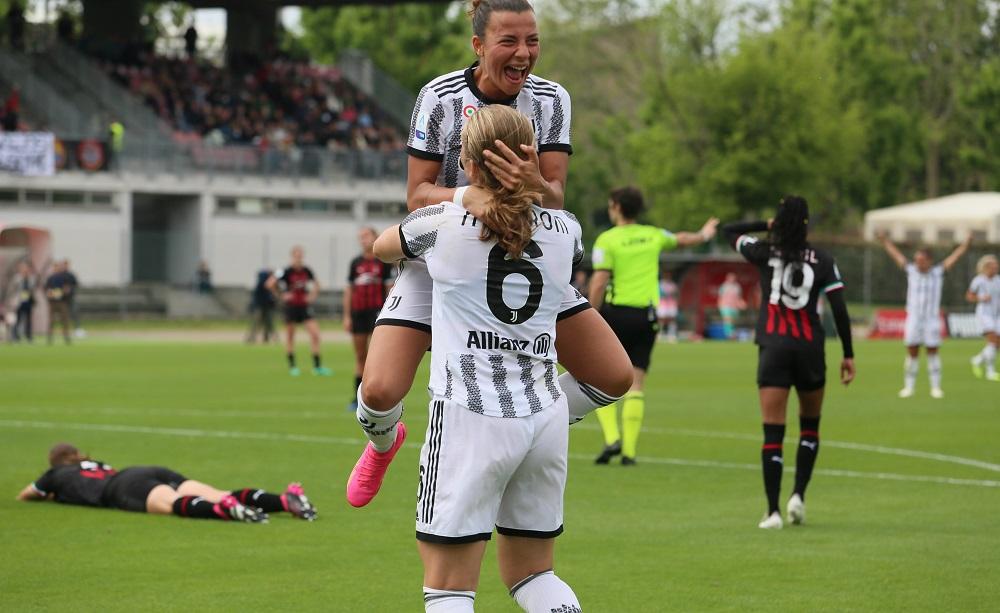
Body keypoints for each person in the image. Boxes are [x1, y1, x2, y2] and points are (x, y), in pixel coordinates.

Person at [354, 0, 632, 500]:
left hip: (519, 254)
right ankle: (383, 441)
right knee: (378, 392)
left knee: (614, 376)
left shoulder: (552, 100)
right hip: (445, 257)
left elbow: (556, 195)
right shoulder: (439, 97)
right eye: (510, 42)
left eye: (533, 41)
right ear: (478, 46)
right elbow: (417, 193)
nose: (524, 54)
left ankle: (530, 418)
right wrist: (467, 198)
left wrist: (534, 184)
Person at [357, 104, 584, 613]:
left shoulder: (443, 222)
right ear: (531, 155)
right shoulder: (567, 230)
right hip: (545, 419)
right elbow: (556, 248)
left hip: (469, 414)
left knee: (449, 588)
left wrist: (462, 196)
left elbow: (381, 247)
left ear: (469, 164)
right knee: (535, 576)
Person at [722, 196, 855, 529]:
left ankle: (773, 512)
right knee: (810, 426)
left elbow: (730, 230)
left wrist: (768, 226)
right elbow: (839, 308)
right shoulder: (824, 259)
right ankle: (798, 496)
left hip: (774, 348)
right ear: (808, 223)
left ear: (779, 222)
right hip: (810, 349)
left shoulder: (765, 252)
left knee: (773, 431)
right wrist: (848, 354)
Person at [588, 187, 718, 465]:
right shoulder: (653, 235)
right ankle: (630, 453)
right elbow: (681, 239)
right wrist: (705, 235)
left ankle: (612, 438)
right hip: (646, 316)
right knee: (637, 382)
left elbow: (599, 280)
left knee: (598, 378)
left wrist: (590, 312)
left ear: (617, 207)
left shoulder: (607, 240)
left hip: (616, 313)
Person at [17, 443, 316, 523]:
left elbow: (25, 495)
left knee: (172, 506)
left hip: (121, 487)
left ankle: (224, 511)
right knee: (218, 492)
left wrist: (49, 494)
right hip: (145, 470)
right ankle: (283, 500)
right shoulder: (96, 464)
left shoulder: (55, 474)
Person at [878, 232, 971, 398]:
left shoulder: (938, 272)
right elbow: (897, 256)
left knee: (932, 352)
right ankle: (909, 387)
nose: (918, 263)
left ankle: (935, 387)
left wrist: (965, 245)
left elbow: (953, 258)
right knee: (912, 352)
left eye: (921, 260)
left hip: (931, 319)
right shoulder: (911, 271)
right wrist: (885, 241)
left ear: (929, 261)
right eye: (916, 260)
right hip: (913, 318)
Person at [344, 227, 395, 411]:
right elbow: (349, 290)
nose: (363, 240)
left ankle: (377, 398)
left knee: (377, 358)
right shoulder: (355, 263)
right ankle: (356, 398)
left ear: (375, 238)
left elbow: (390, 289)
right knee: (360, 356)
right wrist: (347, 316)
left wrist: (391, 313)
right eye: (360, 237)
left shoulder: (384, 262)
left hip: (377, 313)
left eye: (366, 236)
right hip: (358, 313)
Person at [266, 246, 331, 377]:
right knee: (290, 336)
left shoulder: (307, 270)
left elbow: (317, 284)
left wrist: (312, 295)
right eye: (296, 255)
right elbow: (270, 283)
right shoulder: (284, 271)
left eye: (300, 255)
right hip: (291, 307)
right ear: (292, 257)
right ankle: (293, 366)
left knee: (315, 334)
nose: (298, 258)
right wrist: (281, 295)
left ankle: (317, 367)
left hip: (304, 307)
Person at [967, 254, 1000, 381]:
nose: (995, 268)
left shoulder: (998, 280)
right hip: (984, 314)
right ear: (986, 267)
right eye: (992, 266)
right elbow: (969, 296)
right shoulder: (978, 280)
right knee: (992, 341)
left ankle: (977, 360)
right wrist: (981, 298)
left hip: (997, 314)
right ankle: (990, 372)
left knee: (997, 344)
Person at [45, 261, 73, 345]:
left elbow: (67, 288)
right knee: (51, 320)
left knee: (64, 320)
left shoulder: (64, 278)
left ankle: (66, 337)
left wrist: (63, 292)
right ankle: (50, 338)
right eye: (55, 267)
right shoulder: (50, 278)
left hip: (62, 302)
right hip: (53, 302)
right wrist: (50, 293)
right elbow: (47, 289)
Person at [8, 260, 36, 343]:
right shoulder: (17, 278)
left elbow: (33, 289)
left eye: (26, 268)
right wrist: (12, 299)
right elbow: (12, 289)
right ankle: (15, 336)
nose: (25, 270)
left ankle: (29, 336)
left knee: (29, 320)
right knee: (18, 319)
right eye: (23, 268)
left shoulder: (31, 278)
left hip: (28, 301)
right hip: (19, 301)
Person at [246, 268, 276, 344]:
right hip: (259, 305)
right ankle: (251, 338)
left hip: (266, 305)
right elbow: (267, 287)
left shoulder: (263, 283)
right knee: (257, 322)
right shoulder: (263, 282)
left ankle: (266, 338)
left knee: (268, 322)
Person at [717, 272, 747, 339]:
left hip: (734, 307)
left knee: (732, 321)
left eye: (733, 278)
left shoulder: (737, 287)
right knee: (728, 320)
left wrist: (741, 303)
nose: (732, 279)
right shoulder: (724, 286)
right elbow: (720, 297)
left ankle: (732, 334)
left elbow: (739, 297)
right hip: (725, 306)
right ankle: (729, 335)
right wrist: (720, 305)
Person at [657, 270, 679, 341]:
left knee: (672, 319)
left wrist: (672, 294)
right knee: (661, 318)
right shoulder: (660, 284)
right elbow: (658, 293)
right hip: (662, 303)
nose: (667, 276)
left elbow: (676, 294)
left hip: (671, 303)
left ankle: (671, 335)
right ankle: (659, 334)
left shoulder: (673, 285)